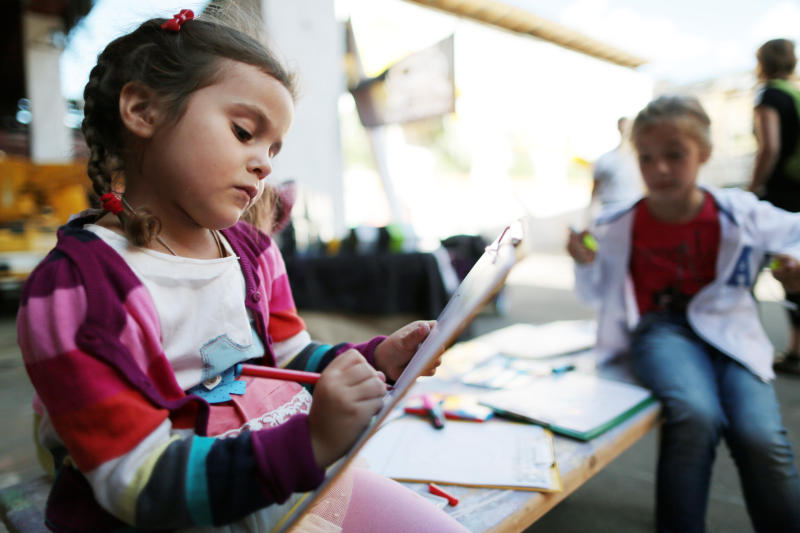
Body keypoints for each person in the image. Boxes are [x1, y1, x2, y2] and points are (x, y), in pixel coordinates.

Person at [15, 9, 468, 533]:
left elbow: (290, 357)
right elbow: (136, 484)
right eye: (244, 131)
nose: (265, 163)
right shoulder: (78, 290)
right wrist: (312, 441)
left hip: (271, 470)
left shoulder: (251, 253)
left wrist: (378, 358)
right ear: (142, 110)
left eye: (273, 148)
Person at [567, 94, 800, 532]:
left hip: (733, 329)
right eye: (647, 158)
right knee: (695, 413)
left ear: (704, 154)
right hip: (661, 331)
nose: (660, 169)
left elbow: (796, 230)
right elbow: (597, 296)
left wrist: (794, 259)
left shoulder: (739, 211)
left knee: (760, 436)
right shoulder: (618, 224)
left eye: (675, 155)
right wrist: (583, 261)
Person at [750, 38, 800, 375]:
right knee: (794, 273)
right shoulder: (797, 94)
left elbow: (770, 146)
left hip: (778, 198)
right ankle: (797, 352)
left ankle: (741, 343)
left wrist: (753, 188)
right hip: (798, 196)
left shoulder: (769, 95)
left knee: (746, 270)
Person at [588, 116, 642, 217]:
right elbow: (595, 189)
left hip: (634, 211)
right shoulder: (605, 160)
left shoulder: (641, 158)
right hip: (610, 212)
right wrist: (589, 215)